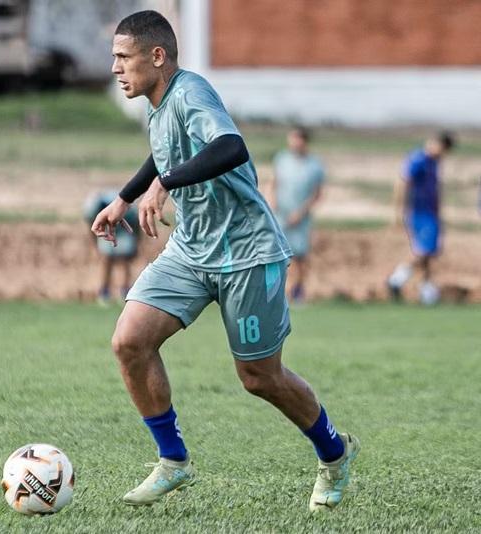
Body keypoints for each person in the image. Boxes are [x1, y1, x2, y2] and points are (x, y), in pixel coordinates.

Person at [91, 10, 359, 512]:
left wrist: (164, 185)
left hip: (247, 253)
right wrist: (125, 198)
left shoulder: (191, 92)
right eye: (113, 58)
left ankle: (335, 453)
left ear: (157, 56)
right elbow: (164, 155)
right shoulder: (157, 104)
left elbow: (231, 147)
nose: (115, 68)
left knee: (260, 377)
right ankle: (173, 463)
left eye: (123, 57)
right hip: (191, 249)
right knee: (130, 342)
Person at [387, 131, 456, 305]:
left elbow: (435, 190)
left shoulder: (434, 162)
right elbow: (402, 182)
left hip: (430, 213)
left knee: (428, 253)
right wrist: (398, 212)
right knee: (422, 251)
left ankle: (426, 290)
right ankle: (396, 279)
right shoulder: (418, 159)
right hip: (419, 213)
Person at [271, 127, 325, 302]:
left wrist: (301, 213)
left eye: (297, 139)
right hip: (280, 215)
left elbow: (317, 194)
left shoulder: (314, 165)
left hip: (301, 218)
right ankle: (276, 292)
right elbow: (273, 183)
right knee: (277, 255)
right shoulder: (282, 159)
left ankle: (298, 292)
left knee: (300, 256)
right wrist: (271, 203)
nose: (293, 143)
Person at [84, 190, 140, 303]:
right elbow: (92, 227)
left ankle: (125, 291)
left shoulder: (128, 211)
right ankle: (104, 292)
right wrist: (95, 244)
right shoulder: (94, 211)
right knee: (106, 259)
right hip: (107, 229)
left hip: (126, 229)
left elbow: (136, 226)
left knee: (124, 259)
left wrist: (136, 243)